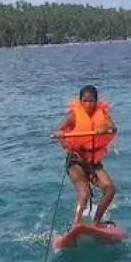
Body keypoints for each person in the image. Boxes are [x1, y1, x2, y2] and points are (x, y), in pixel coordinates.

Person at [50, 85, 117, 230]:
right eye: (85, 101)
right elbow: (57, 130)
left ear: (96, 101)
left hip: (93, 162)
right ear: (80, 101)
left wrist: (104, 128)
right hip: (76, 161)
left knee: (110, 189)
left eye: (91, 101)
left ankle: (97, 222)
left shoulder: (103, 114)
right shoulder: (73, 115)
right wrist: (59, 134)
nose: (88, 104)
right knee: (84, 193)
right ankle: (75, 225)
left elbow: (112, 128)